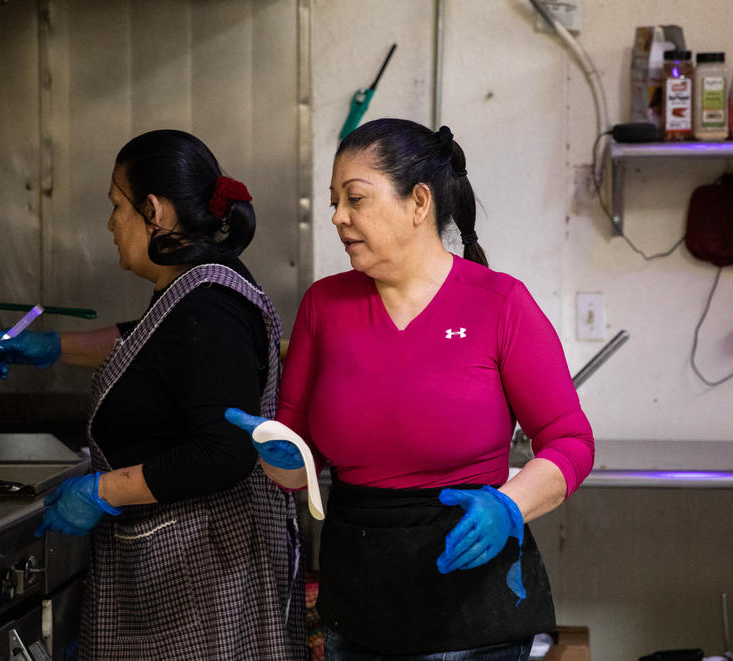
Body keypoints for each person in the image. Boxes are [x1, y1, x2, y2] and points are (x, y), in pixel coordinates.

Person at [227, 118, 594, 660]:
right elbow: (296, 467)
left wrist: (509, 507)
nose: (337, 217)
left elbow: (570, 441)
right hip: (359, 598)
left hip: (472, 604)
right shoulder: (323, 307)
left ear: (419, 203)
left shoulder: (500, 303)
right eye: (335, 201)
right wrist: (278, 454)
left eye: (355, 199)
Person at [0, 129, 307, 660]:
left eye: (117, 206)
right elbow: (153, 342)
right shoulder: (194, 290)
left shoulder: (209, 305)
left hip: (203, 581)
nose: (111, 224)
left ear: (153, 210)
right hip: (182, 572)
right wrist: (52, 347)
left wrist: (103, 491)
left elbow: (222, 452)